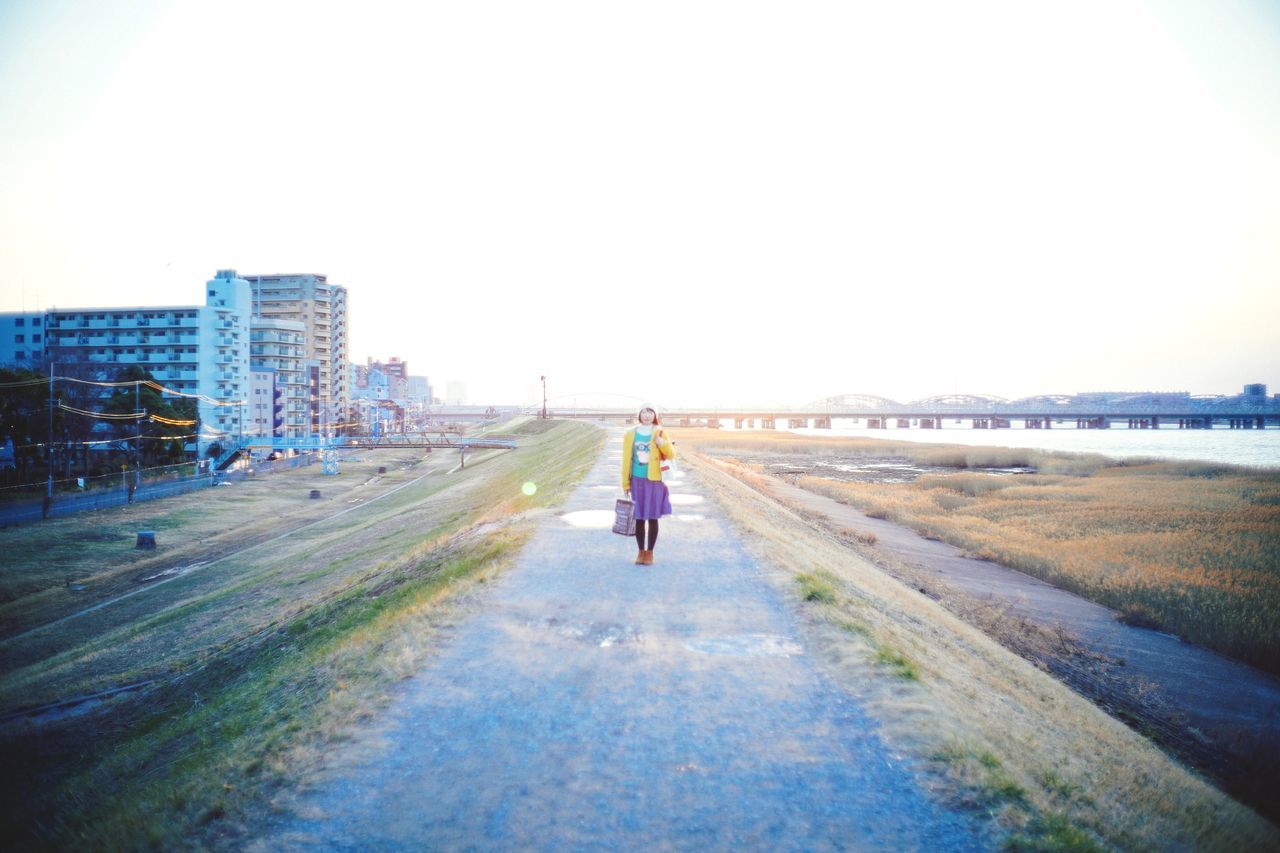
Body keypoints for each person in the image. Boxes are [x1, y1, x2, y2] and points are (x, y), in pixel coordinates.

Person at [621, 404, 675, 565]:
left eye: (650, 412)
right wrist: (625, 484)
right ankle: (640, 552)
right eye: (644, 411)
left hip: (655, 481)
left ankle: (650, 553)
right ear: (639, 414)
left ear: (655, 415)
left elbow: (672, 454)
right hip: (636, 480)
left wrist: (662, 443)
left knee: (652, 517)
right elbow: (626, 460)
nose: (646, 415)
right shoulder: (630, 434)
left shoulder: (660, 432)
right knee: (638, 518)